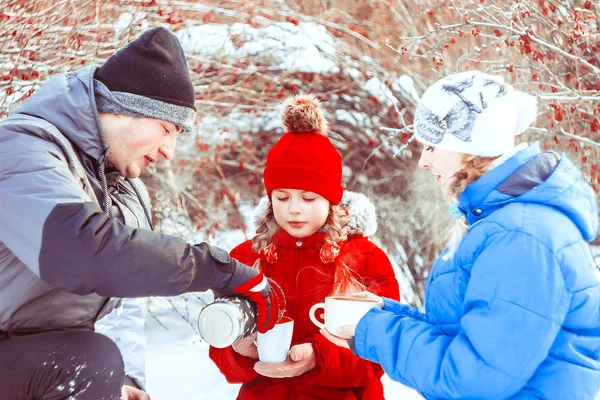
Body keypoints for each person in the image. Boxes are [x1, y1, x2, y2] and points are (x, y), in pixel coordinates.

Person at [0, 27, 285, 400]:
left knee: (96, 361)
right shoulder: (20, 149)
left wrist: (128, 381)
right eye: (165, 128)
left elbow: (121, 306)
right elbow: (82, 252)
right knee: (93, 359)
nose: (169, 151)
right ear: (121, 109)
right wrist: (218, 269)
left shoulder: (127, 190)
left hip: (36, 360)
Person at [322, 71, 600, 399]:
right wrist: (383, 313)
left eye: (431, 146)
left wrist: (373, 330)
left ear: (472, 148)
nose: (424, 161)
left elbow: (473, 379)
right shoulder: (500, 223)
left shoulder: (521, 237)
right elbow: (467, 337)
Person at [208, 94, 401, 400]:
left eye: (308, 198)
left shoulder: (364, 259)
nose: (294, 209)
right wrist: (239, 349)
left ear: (331, 199)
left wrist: (318, 355)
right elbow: (221, 351)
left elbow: (378, 355)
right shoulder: (246, 258)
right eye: (282, 198)